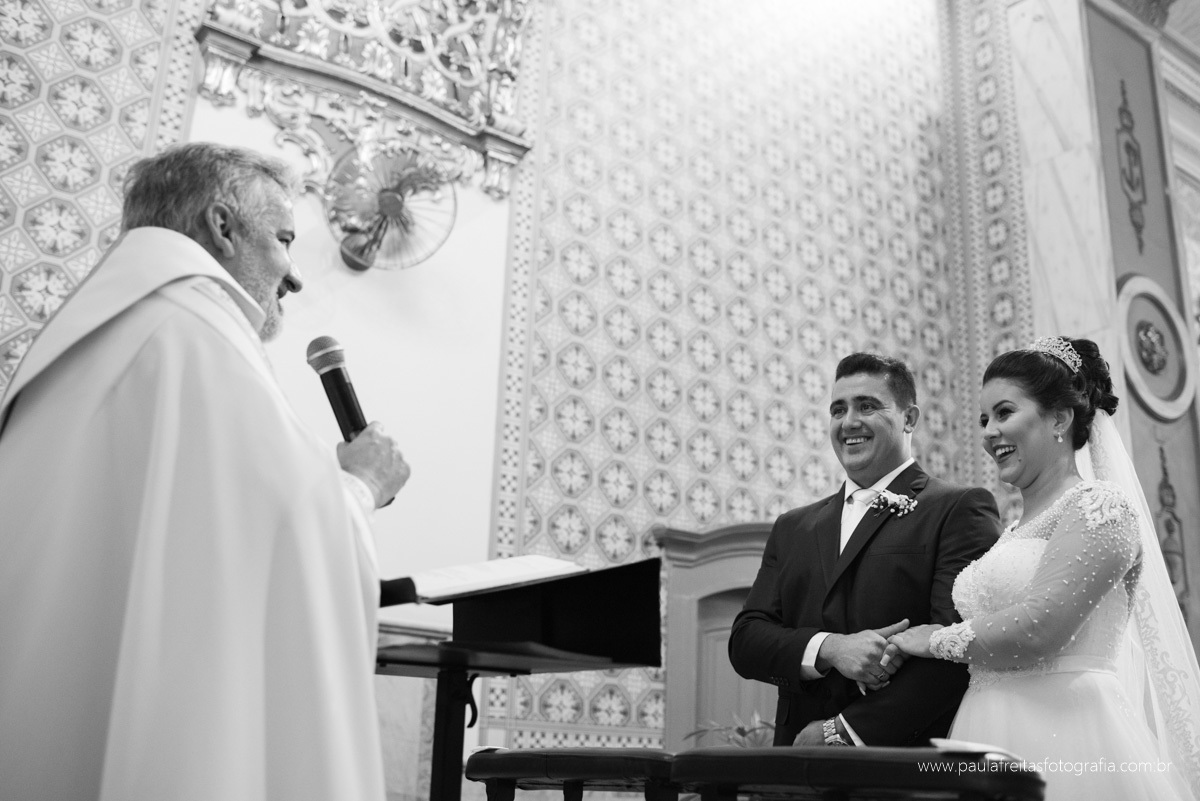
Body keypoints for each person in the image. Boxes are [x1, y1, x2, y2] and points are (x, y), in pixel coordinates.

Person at [0, 143, 410, 801]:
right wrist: (361, 485)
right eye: (282, 238)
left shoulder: (109, 324)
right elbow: (284, 545)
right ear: (222, 225)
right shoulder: (197, 333)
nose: (294, 274)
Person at [888, 336, 1200, 800]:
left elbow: (1041, 628)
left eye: (1004, 413)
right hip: (985, 727)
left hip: (1070, 732)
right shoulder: (1013, 531)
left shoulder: (1100, 508)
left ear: (1059, 418)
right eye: (983, 419)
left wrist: (929, 640)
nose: (989, 431)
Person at [728, 353, 1002, 747]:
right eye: (838, 409)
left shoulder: (958, 508)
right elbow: (746, 641)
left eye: (867, 406)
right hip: (793, 761)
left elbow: (957, 650)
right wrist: (830, 648)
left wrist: (842, 732)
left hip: (901, 761)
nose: (848, 421)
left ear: (910, 418)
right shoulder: (793, 526)